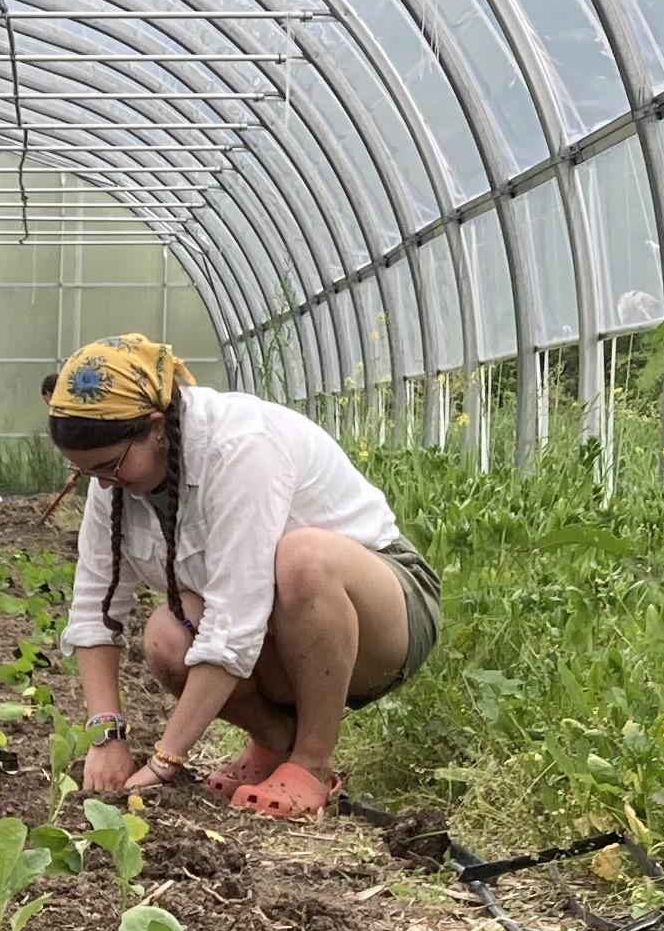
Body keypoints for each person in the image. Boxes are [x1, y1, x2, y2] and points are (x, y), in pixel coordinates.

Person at [45, 334, 441, 822]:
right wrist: (106, 733)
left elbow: (234, 622)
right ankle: (274, 745)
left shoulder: (240, 447)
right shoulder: (114, 478)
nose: (103, 482)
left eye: (110, 466)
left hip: (380, 616)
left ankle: (312, 764)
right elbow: (93, 610)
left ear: (154, 428)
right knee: (168, 635)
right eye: (85, 473)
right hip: (277, 632)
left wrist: (164, 761)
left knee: (303, 559)